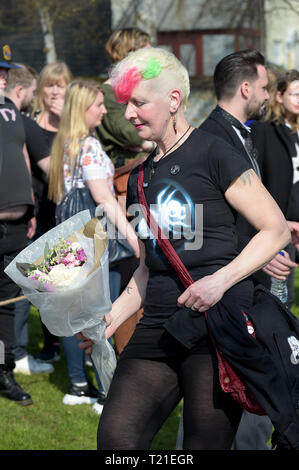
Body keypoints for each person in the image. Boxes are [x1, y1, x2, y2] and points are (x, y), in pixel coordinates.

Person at [78, 47, 297, 450]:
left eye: (139, 103)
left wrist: (220, 281)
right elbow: (148, 268)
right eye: (127, 104)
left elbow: (276, 229)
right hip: (157, 328)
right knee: (116, 440)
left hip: (216, 329)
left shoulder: (215, 153)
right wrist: (108, 320)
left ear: (174, 100)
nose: (128, 114)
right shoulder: (141, 174)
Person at [197, 51, 299, 451]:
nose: (268, 96)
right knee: (226, 394)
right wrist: (262, 248)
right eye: (263, 87)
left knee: (238, 395)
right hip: (228, 286)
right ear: (245, 88)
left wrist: (276, 231)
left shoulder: (239, 133)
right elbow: (215, 222)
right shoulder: (213, 139)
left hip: (243, 279)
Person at [48, 79, 139, 408]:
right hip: (94, 239)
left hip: (68, 237)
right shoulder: (89, 147)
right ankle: (106, 391)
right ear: (82, 109)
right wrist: (133, 239)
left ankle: (76, 383)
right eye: (98, 105)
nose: (104, 110)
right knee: (102, 312)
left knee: (73, 312)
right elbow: (104, 199)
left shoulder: (64, 145)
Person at [96, 27, 153, 357]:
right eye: (144, 52)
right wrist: (146, 138)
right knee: (130, 269)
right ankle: (123, 355)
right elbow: (124, 130)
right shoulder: (109, 92)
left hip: (139, 186)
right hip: (119, 191)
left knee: (147, 263)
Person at [4, 63, 54, 375]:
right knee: (12, 299)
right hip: (16, 221)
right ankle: (13, 358)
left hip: (15, 220)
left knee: (8, 301)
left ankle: (5, 364)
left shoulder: (13, 120)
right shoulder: (17, 119)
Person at [0, 45, 35, 405]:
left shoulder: (10, 109)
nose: (3, 77)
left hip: (15, 226)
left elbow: (22, 152)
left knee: (7, 303)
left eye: (5, 71)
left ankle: (3, 370)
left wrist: (31, 204)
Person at [32, 61, 72, 363]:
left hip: (67, 211)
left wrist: (65, 121)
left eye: (61, 85)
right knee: (43, 281)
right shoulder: (30, 122)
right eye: (50, 85)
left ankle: (73, 340)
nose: (56, 91)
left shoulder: (74, 126)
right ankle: (50, 342)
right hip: (39, 209)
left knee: (68, 280)